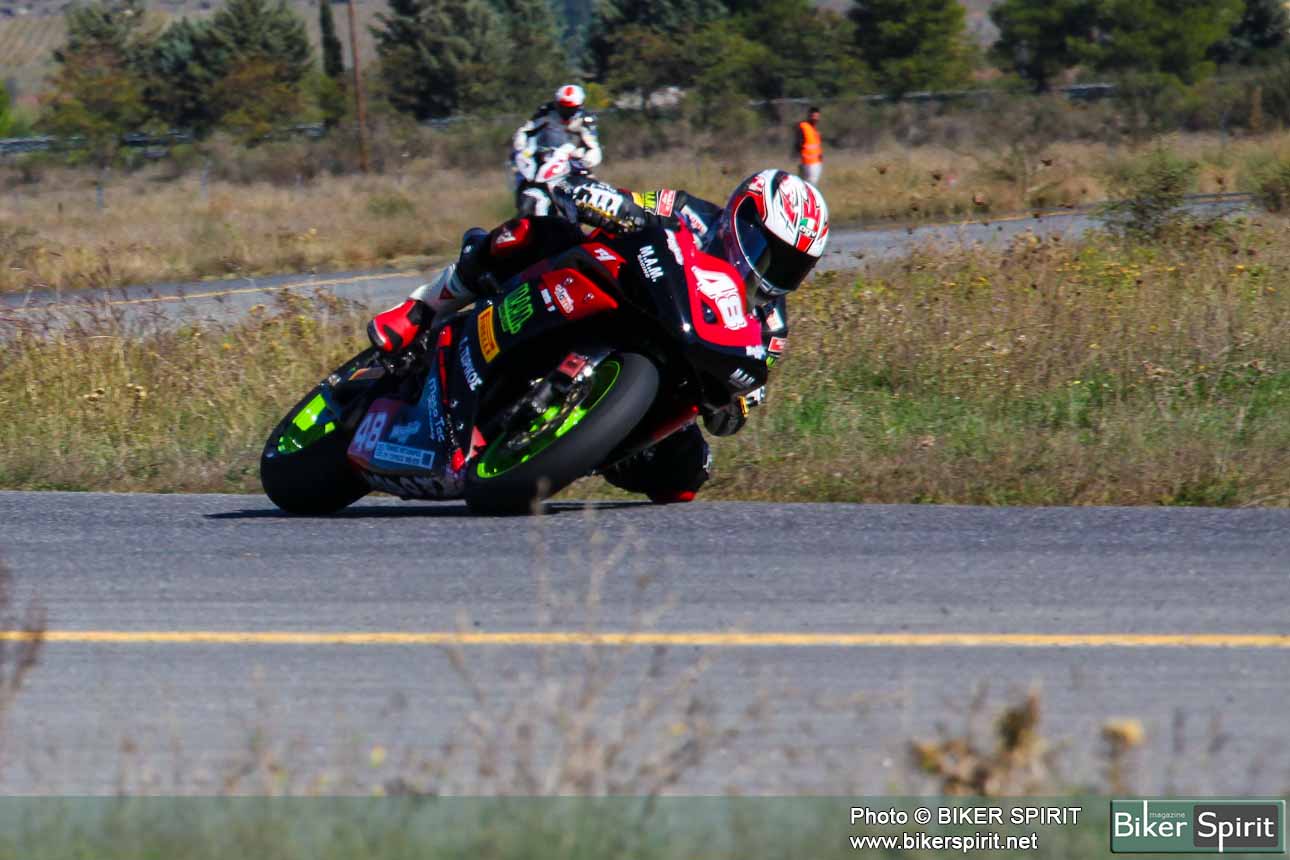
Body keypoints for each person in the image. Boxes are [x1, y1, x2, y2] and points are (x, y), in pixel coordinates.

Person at [367, 169, 830, 504]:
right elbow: (620, 202)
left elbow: (736, 409)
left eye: (791, 266)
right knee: (538, 232)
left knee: (686, 478)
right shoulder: (689, 212)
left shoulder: (771, 326)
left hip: (661, 372)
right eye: (767, 251)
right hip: (613, 296)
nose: (772, 272)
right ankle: (422, 308)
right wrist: (603, 199)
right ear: (739, 219)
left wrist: (736, 403)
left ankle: (578, 447)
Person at [511, 84, 603, 192]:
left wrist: (582, 163)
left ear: (579, 106)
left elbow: (594, 149)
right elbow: (525, 131)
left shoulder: (586, 120)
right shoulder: (546, 112)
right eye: (562, 107)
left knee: (589, 189)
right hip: (544, 158)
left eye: (570, 109)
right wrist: (520, 147)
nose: (565, 111)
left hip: (572, 164)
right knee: (524, 182)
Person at [796, 106, 822, 186]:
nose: (815, 118)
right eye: (813, 116)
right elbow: (798, 143)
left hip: (815, 162)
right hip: (807, 162)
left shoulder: (814, 130)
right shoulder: (803, 126)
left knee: (807, 185)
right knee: (808, 186)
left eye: (817, 116)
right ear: (809, 116)